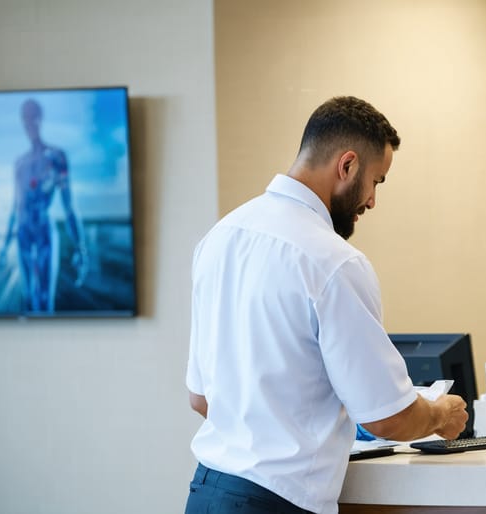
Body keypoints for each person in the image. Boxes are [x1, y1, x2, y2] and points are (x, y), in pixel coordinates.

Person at [185, 96, 468, 514]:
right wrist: (441, 413)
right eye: (377, 181)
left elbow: (201, 399)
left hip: (205, 492)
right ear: (347, 165)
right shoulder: (333, 262)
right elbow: (388, 418)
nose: (371, 200)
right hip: (274, 504)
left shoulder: (220, 237)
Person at [0, 98, 88, 312]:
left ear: (40, 118)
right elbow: (15, 206)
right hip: (24, 234)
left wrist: (80, 247)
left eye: (33, 117)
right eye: (25, 119)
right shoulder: (20, 164)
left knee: (46, 301)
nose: (29, 124)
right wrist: (4, 247)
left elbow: (69, 206)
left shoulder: (56, 157)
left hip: (45, 232)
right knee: (28, 300)